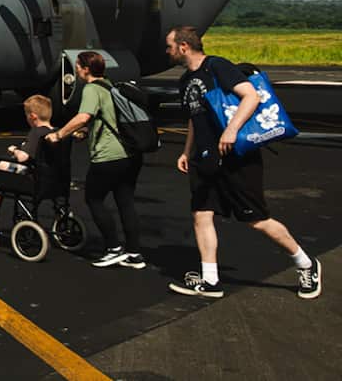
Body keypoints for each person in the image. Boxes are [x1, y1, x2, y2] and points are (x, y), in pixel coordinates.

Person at [163, 26, 322, 300]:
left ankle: (306, 264)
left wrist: (232, 130)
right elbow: (194, 117)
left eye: (170, 46)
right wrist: (187, 151)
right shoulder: (185, 81)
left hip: (236, 156)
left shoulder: (217, 66)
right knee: (201, 214)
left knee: (257, 220)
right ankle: (211, 281)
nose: (167, 51)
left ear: (184, 47)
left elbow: (251, 96)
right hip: (205, 158)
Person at [46, 51, 145, 269]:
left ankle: (113, 248)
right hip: (130, 154)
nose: (77, 70)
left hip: (108, 156)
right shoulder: (110, 86)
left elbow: (84, 116)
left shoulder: (91, 89)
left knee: (94, 198)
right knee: (126, 202)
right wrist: (85, 133)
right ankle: (134, 253)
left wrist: (58, 134)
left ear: (86, 69)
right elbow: (105, 118)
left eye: (79, 66)